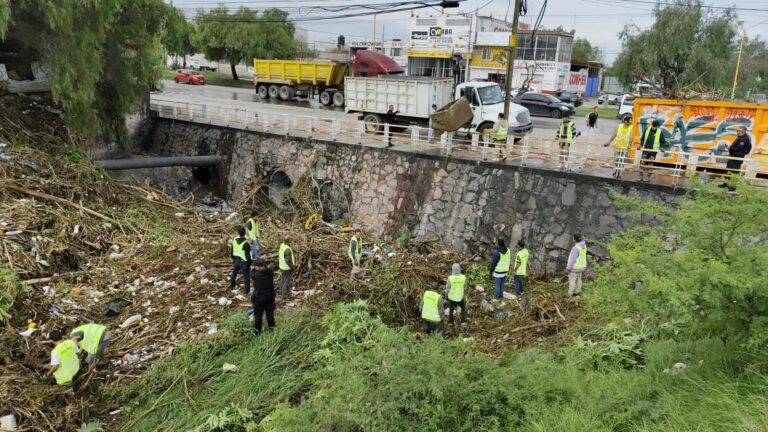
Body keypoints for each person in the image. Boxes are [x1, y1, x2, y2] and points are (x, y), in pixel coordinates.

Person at [250, 258, 276, 334]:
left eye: (255, 266)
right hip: (270, 297)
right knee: (270, 315)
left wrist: (256, 268)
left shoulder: (255, 275)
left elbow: (251, 272)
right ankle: (272, 330)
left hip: (259, 298)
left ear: (258, 267)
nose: (254, 267)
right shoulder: (270, 273)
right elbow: (267, 269)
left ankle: (258, 332)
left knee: (258, 316)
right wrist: (263, 266)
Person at [228, 226, 251, 294]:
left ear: (238, 233)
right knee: (246, 275)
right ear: (245, 233)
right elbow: (247, 255)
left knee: (234, 273)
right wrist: (249, 263)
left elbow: (231, 252)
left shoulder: (234, 241)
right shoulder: (246, 243)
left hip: (236, 260)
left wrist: (234, 259)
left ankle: (232, 285)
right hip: (244, 262)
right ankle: (246, 291)